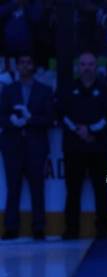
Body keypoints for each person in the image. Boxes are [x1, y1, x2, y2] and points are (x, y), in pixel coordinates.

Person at [59, 51, 107, 239]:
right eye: (83, 64)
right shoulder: (68, 88)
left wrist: (90, 130)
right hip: (74, 148)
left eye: (90, 64)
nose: (87, 68)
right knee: (73, 190)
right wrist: (78, 130)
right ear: (78, 67)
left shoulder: (105, 88)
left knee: (101, 190)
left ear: (96, 67)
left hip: (99, 147)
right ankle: (71, 229)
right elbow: (62, 114)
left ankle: (103, 229)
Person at [0, 53, 54, 240]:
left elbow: (49, 118)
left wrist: (30, 119)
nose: (25, 66)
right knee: (13, 188)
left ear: (34, 66)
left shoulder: (45, 91)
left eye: (28, 62)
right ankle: (10, 227)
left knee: (37, 188)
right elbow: (1, 115)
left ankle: (38, 227)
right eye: (21, 63)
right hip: (13, 145)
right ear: (16, 66)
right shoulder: (8, 90)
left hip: (35, 146)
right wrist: (10, 120)